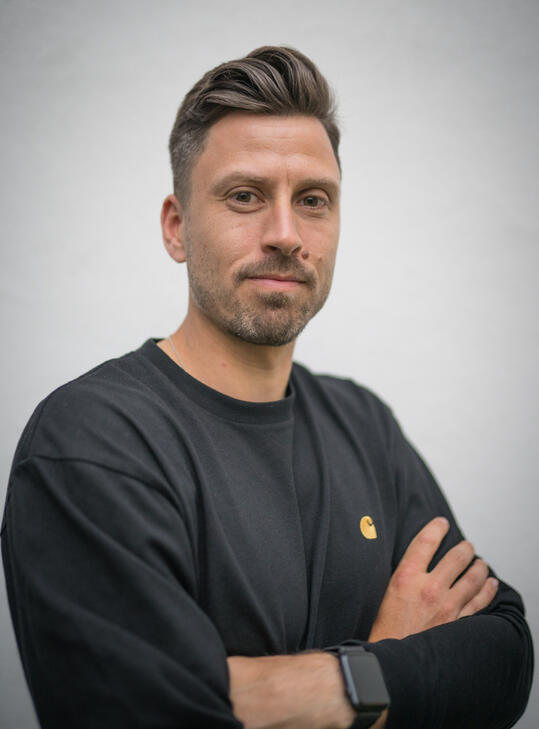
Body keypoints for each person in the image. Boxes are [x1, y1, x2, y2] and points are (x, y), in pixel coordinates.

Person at [1, 46, 533, 729]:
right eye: (245, 196)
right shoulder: (92, 440)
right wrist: (391, 669)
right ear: (176, 228)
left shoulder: (364, 424)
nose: (285, 234)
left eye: (312, 200)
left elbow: (504, 657)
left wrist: (312, 687)